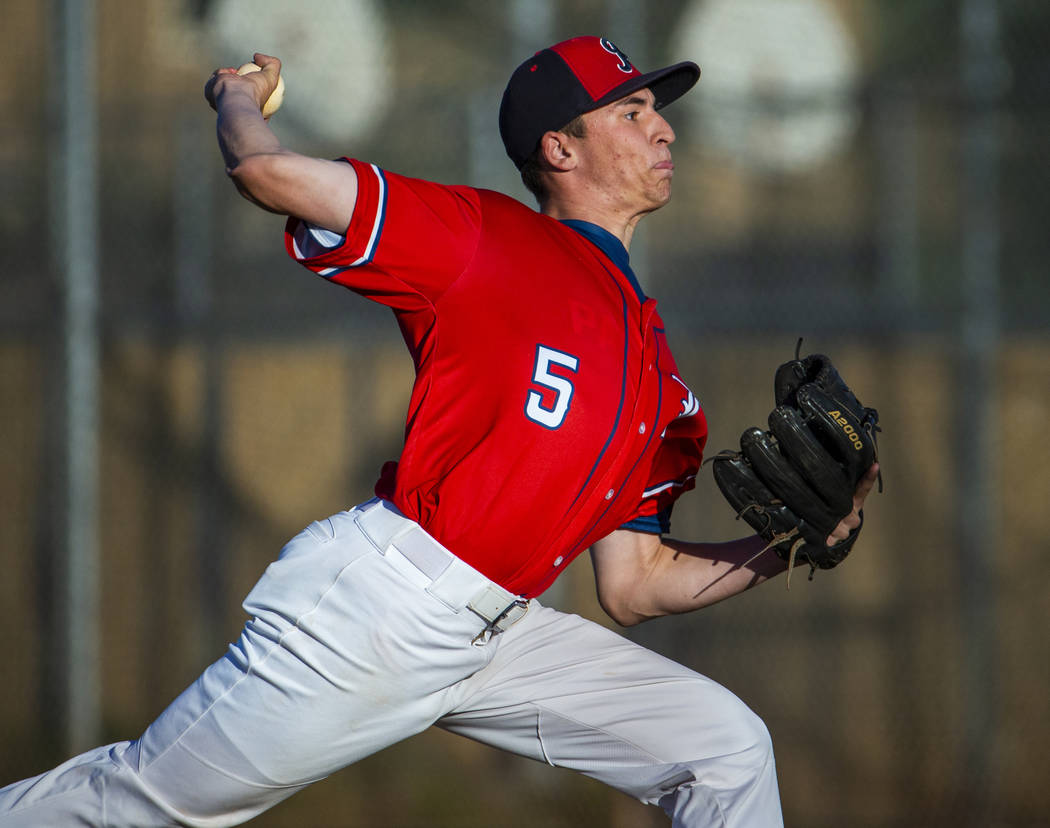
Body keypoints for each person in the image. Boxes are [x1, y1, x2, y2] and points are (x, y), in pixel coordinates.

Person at [0, 36, 878, 827]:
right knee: (136, 805)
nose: (665, 130)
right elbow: (266, 174)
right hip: (385, 609)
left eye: (657, 110)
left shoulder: (658, 376)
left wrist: (792, 543)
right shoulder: (480, 238)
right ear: (559, 148)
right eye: (633, 109)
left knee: (725, 748)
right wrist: (233, 92)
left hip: (501, 638)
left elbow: (636, 585)